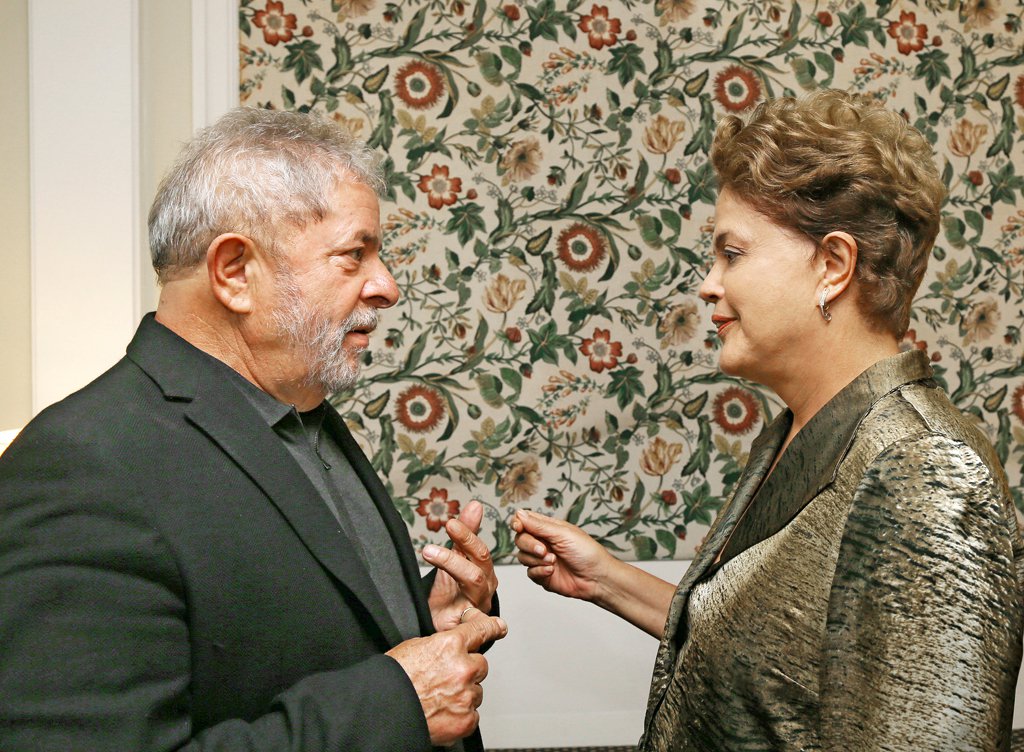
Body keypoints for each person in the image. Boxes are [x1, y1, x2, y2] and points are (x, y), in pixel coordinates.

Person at [512, 89, 1023, 750]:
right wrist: (607, 580)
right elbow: (777, 665)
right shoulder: (797, 434)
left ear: (833, 265)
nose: (707, 284)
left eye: (732, 253)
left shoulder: (925, 475)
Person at [0, 108, 506, 751]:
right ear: (235, 272)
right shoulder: (81, 466)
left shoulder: (302, 417)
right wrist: (394, 704)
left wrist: (420, 622)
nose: (387, 287)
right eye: (355, 255)